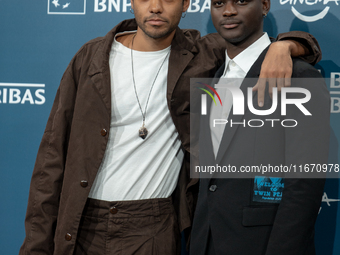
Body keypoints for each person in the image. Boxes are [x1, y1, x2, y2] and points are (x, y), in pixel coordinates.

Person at [19, 0, 322, 253]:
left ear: (187, 3)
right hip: (82, 220)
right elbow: (51, 158)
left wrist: (286, 47)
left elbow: (253, 43)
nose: (156, 7)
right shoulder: (91, 57)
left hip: (154, 226)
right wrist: (36, 245)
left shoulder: (202, 55)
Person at [190, 0, 330, 254]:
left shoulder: (298, 76)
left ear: (264, 5)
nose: (228, 11)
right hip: (207, 241)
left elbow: (304, 184)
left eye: (241, 1)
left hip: (263, 244)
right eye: (219, 3)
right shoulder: (212, 76)